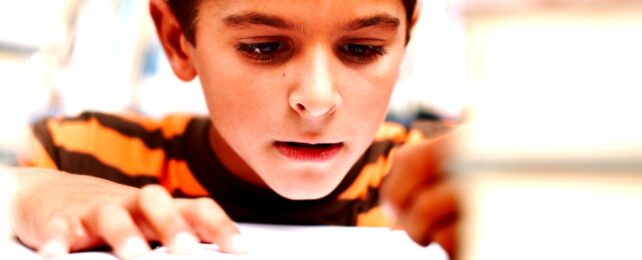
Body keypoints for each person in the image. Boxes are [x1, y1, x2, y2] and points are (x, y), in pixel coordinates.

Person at [8, 0, 459, 259]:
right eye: (263, 47)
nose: (318, 99)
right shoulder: (72, 154)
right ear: (175, 39)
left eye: (363, 48)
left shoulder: (443, 187)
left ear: (406, 41)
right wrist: (21, 192)